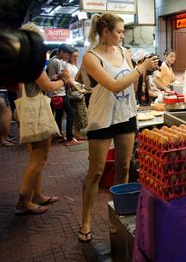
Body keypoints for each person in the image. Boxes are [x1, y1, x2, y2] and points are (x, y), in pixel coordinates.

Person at [79, 13, 158, 242]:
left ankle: (117, 215)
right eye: (119, 32)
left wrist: (139, 81)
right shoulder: (91, 57)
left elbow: (130, 83)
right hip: (102, 117)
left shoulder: (124, 52)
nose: (122, 36)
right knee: (96, 172)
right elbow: (113, 85)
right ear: (106, 32)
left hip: (125, 116)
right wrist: (141, 68)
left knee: (123, 167)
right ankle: (85, 220)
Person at [15, 23, 74, 214]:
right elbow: (48, 86)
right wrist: (64, 79)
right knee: (38, 159)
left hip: (29, 110)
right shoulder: (31, 61)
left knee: (36, 158)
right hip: (37, 112)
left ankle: (37, 194)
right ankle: (24, 201)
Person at [46, 43, 81, 145]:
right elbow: (65, 76)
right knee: (71, 113)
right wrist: (78, 87)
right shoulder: (58, 62)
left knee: (59, 115)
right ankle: (70, 138)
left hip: (54, 92)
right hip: (59, 92)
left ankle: (59, 135)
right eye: (67, 54)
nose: (68, 57)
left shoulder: (52, 60)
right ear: (61, 52)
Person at [66, 49, 88, 140]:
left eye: (77, 56)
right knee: (77, 113)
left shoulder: (74, 65)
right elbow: (69, 80)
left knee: (80, 113)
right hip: (75, 91)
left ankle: (76, 132)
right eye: (74, 56)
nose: (76, 58)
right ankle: (76, 132)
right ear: (69, 56)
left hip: (79, 90)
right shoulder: (67, 66)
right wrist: (79, 89)